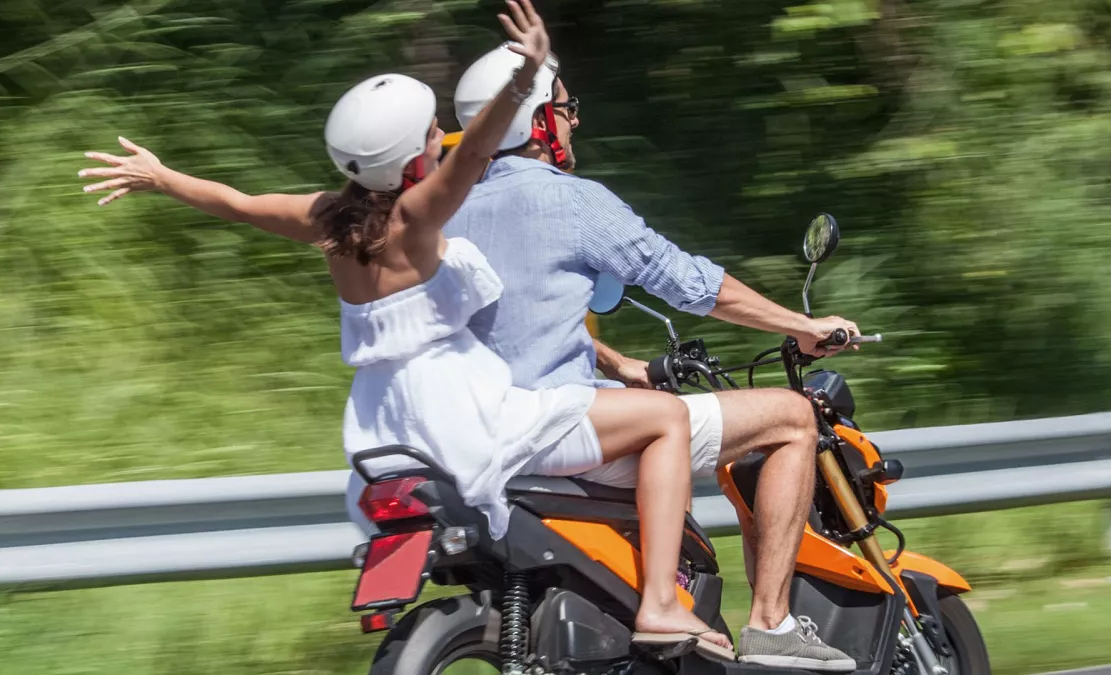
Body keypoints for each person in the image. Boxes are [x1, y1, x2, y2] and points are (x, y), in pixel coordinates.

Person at [76, 0, 732, 659]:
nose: (440, 138)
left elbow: (239, 204)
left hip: (380, 420)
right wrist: (522, 76)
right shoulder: (415, 219)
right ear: (412, 160)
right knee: (666, 418)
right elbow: (477, 149)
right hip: (460, 406)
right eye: (429, 135)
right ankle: (661, 602)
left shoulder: (327, 218)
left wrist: (162, 177)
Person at [444, 44, 860, 671]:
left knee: (649, 412)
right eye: (564, 108)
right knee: (793, 418)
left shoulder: (447, 213)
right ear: (535, 122)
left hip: (474, 432)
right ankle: (771, 622)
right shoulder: (573, 201)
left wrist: (618, 365)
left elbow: (509, 323)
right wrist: (800, 326)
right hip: (555, 433)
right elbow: (690, 283)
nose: (573, 120)